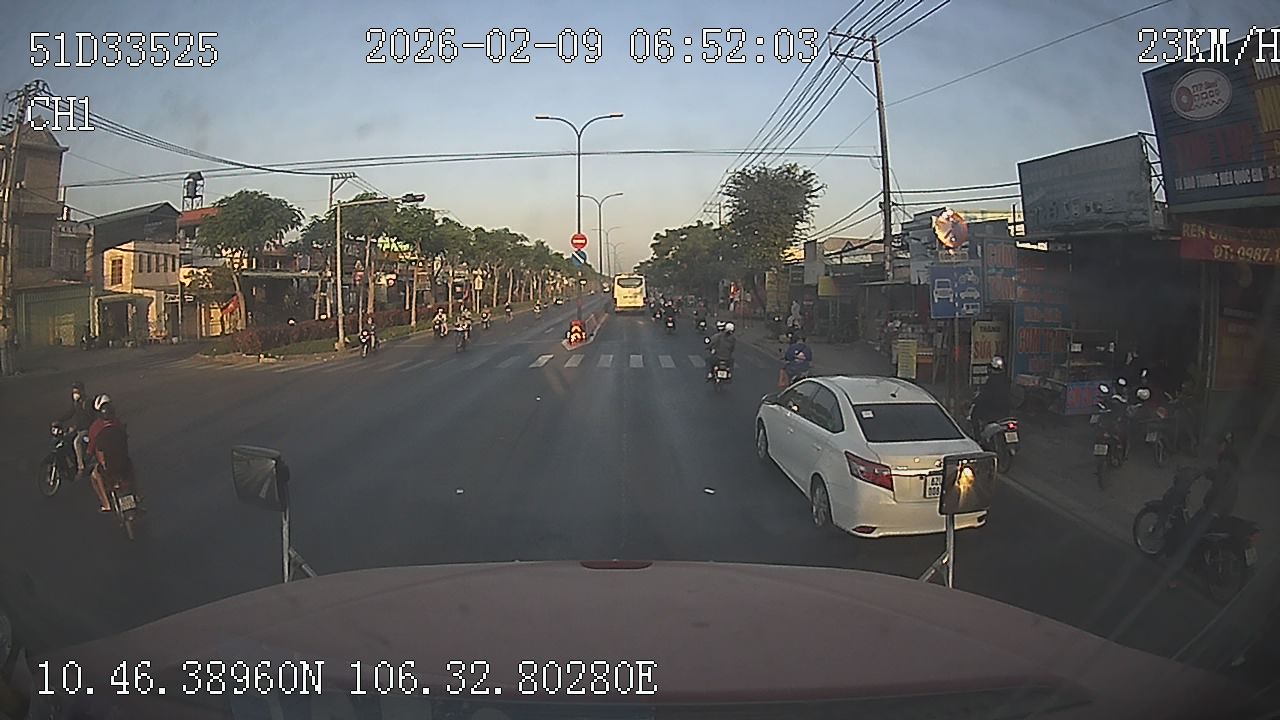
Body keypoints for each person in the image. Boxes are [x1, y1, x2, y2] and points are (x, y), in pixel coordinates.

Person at [86, 394, 138, 513]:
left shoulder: (95, 428)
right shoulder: (118, 424)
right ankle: (138, 495)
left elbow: (92, 449)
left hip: (108, 467)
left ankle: (106, 504)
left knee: (95, 476)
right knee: (131, 470)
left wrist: (87, 457)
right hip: (123, 463)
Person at [57, 381, 95, 476]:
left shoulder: (87, 403)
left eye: (77, 392)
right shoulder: (76, 403)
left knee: (77, 442)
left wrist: (75, 427)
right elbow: (70, 413)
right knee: (65, 439)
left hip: (86, 430)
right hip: (78, 429)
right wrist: (59, 420)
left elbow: (89, 419)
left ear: (82, 391)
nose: (75, 394)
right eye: (74, 392)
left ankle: (81, 467)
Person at [970, 355, 1012, 437]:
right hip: (1005, 411)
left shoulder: (991, 381)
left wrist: (975, 401)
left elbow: (984, 395)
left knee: (974, 415)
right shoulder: (1006, 380)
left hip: (992, 411)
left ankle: (978, 437)